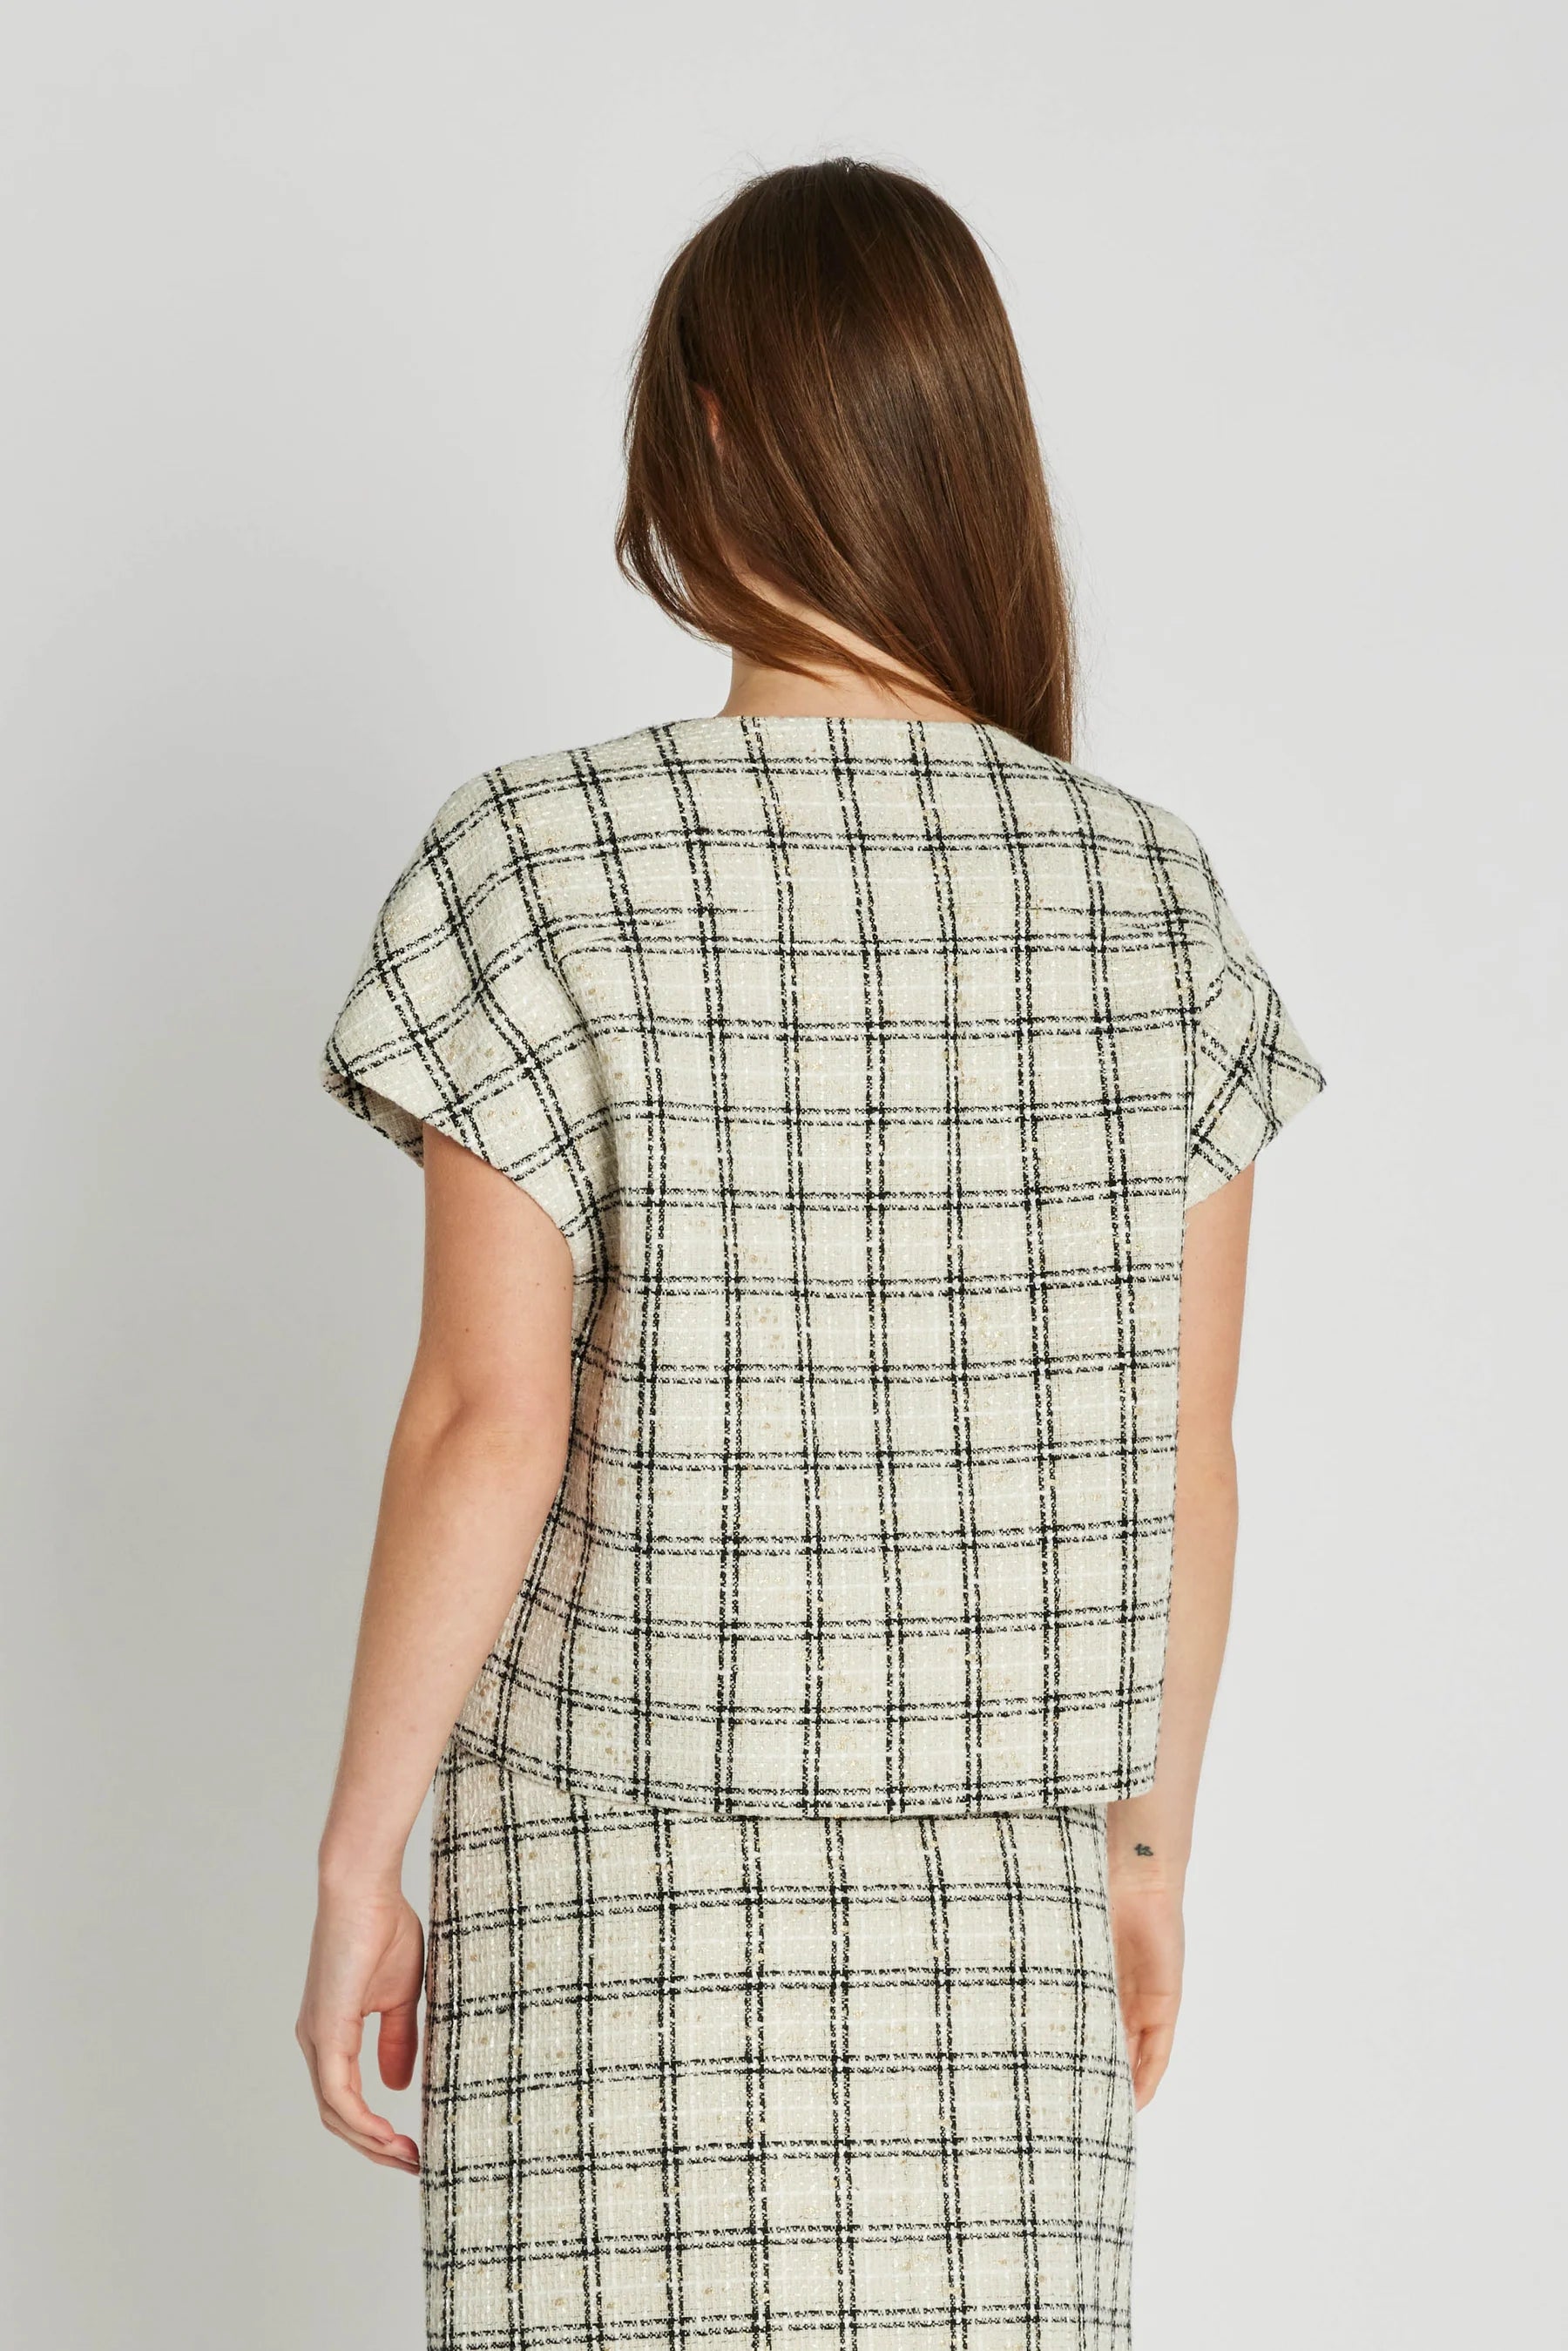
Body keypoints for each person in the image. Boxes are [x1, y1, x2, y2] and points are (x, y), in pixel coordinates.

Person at [298, 158, 1324, 2350]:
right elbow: (1187, 1457)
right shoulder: (1149, 898)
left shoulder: (540, 861)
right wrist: (1147, 1859)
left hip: (610, 1904)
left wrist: (356, 1857)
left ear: (706, 439)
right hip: (998, 1913)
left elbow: (487, 1422)